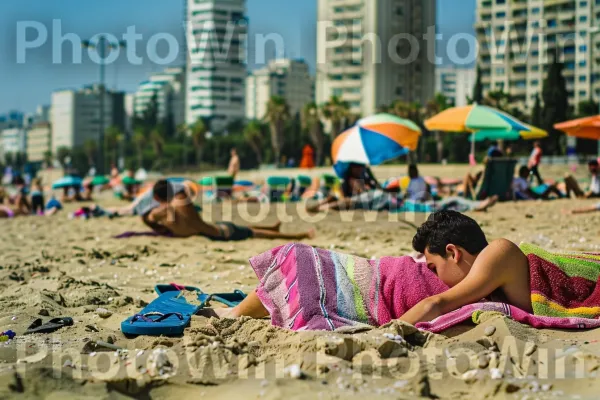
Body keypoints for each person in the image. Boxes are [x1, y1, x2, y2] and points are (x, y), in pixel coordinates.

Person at [143, 180, 315, 241]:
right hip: (218, 232)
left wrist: (157, 221)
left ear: (158, 198)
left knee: (250, 230)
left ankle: (285, 231)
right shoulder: (180, 202)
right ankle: (292, 233)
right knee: (252, 231)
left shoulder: (158, 214)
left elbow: (149, 217)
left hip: (214, 232)